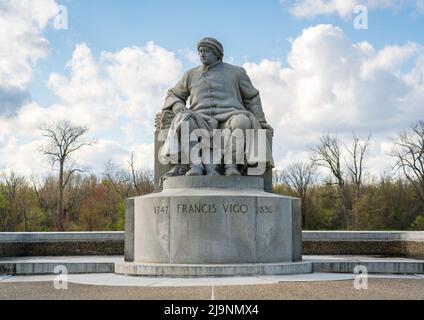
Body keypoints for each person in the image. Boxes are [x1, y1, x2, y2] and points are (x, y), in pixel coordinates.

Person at [161, 37, 273, 176]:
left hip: (230, 117)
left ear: (216, 54)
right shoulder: (190, 74)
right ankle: (195, 165)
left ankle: (231, 166)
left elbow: (252, 98)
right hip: (200, 119)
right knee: (184, 119)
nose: (202, 54)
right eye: (200, 51)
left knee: (242, 121)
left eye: (206, 51)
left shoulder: (236, 72)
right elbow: (173, 94)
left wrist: (261, 121)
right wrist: (177, 104)